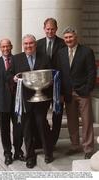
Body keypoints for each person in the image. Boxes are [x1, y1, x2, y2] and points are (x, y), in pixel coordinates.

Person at [55, 26, 96, 159]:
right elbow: (59, 74)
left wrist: (87, 89)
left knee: (87, 120)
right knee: (72, 120)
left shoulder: (86, 51)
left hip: (83, 92)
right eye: (66, 37)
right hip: (67, 93)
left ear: (76, 37)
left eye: (70, 37)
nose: (68, 39)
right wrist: (60, 93)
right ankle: (74, 145)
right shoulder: (60, 53)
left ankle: (88, 147)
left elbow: (92, 73)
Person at [13, 34, 53, 168]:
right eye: (26, 44)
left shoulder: (45, 57)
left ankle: (48, 152)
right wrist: (13, 79)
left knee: (42, 124)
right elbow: (9, 75)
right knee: (27, 128)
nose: (28, 46)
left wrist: (48, 98)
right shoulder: (16, 59)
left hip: (41, 99)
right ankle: (30, 156)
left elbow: (50, 77)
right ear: (23, 45)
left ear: (35, 44)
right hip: (24, 99)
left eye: (31, 43)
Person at [0, 39, 25, 166]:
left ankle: (18, 151)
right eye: (3, 46)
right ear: (0, 47)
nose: (6, 49)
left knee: (18, 128)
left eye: (8, 46)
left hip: (17, 101)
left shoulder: (18, 60)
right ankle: (7, 153)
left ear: (11, 47)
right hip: (2, 102)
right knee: (4, 129)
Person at [37, 18, 66, 146]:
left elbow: (66, 68)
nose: (50, 31)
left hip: (58, 86)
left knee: (57, 115)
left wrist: (63, 91)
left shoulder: (63, 44)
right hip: (42, 86)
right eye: (48, 29)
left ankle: (53, 141)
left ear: (56, 29)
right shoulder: (37, 44)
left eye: (52, 29)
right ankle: (45, 137)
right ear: (44, 29)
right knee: (41, 115)